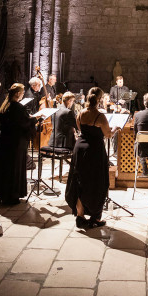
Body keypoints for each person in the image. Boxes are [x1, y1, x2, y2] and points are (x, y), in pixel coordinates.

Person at [65, 87, 116, 229]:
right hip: (94, 151)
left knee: (80, 181)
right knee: (96, 183)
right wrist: (116, 129)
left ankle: (80, 217)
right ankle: (95, 217)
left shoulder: (80, 113)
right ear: (99, 100)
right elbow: (108, 134)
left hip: (80, 149)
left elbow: (80, 129)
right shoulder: (100, 116)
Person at [0, 83, 37, 205]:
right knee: (13, 169)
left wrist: (29, 119)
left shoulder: (5, 105)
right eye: (22, 92)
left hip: (4, 142)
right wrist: (36, 119)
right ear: (17, 93)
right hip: (15, 144)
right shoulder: (18, 107)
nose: (22, 94)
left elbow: (17, 121)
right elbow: (24, 123)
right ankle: (12, 196)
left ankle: (3, 194)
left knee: (5, 169)